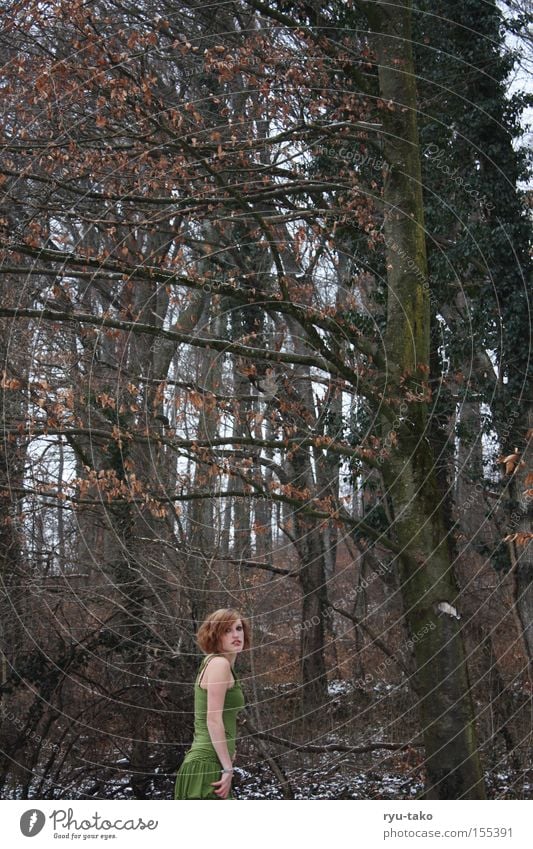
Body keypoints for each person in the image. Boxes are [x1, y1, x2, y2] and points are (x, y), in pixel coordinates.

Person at [174, 608, 249, 800]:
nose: (235, 635)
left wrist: (229, 751)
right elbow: (213, 720)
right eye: (227, 630)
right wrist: (228, 768)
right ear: (215, 636)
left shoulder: (219, 665)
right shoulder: (219, 664)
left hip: (210, 764)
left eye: (238, 628)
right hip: (206, 766)